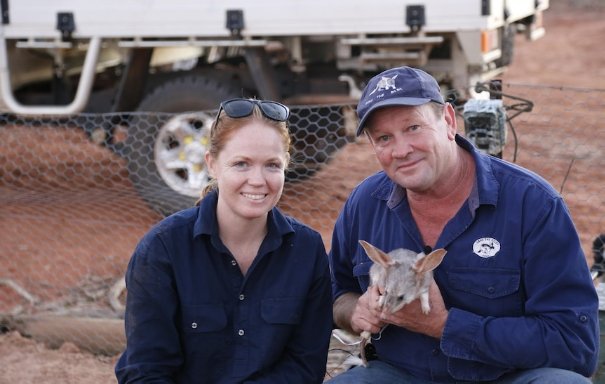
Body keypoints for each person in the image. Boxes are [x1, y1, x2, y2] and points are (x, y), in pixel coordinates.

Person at [327, 66, 599, 383]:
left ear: (448, 121)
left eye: (414, 127)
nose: (401, 150)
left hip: (506, 377)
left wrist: (443, 325)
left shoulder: (532, 205)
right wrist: (356, 311)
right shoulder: (365, 203)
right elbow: (336, 294)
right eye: (384, 138)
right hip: (399, 374)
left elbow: (574, 344)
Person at [115, 98, 333, 383]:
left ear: (286, 167)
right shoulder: (163, 249)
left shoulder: (307, 249)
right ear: (212, 164)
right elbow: (146, 370)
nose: (258, 180)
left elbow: (305, 366)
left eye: (272, 165)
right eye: (241, 164)